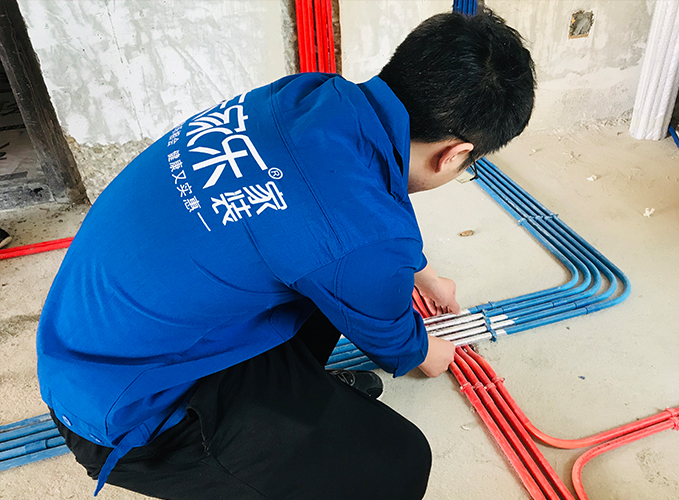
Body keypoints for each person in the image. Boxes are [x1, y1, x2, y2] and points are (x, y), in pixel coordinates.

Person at [36, 7, 535, 500]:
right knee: (400, 464)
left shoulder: (305, 95)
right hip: (134, 415)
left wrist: (425, 278)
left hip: (90, 347)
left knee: (324, 274)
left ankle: (296, 399)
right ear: (455, 154)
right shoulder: (361, 232)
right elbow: (398, 342)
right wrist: (429, 351)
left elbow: (354, 227)